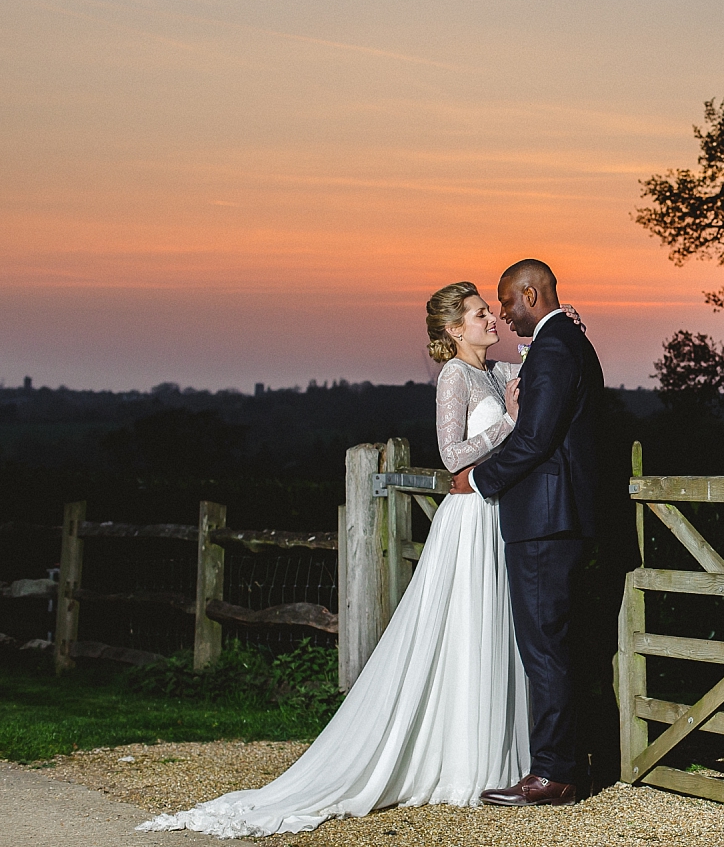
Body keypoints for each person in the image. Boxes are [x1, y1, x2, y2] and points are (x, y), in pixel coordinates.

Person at [139, 282, 553, 837]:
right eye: (481, 315)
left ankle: (493, 756)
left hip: (498, 516)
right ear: (455, 330)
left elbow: (532, 368)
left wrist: (558, 319)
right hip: (470, 515)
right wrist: (506, 421)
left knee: (493, 626)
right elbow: (450, 453)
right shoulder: (454, 377)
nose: (493, 322)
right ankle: (460, 762)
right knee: (465, 624)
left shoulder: (493, 372)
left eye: (490, 314)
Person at [450, 258, 603, 808]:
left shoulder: (557, 345)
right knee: (556, 643)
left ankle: (554, 772)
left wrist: (481, 479)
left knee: (544, 648)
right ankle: (570, 762)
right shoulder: (564, 339)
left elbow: (537, 437)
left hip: (545, 519)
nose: (503, 314)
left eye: (507, 301)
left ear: (531, 294)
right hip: (556, 516)